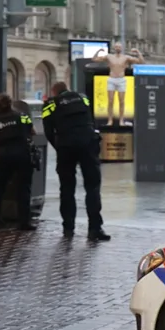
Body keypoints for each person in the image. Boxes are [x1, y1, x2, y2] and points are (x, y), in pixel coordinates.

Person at [43, 82, 110, 242]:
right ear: (67, 88)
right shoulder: (83, 98)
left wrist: (59, 146)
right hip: (87, 144)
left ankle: (68, 228)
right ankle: (95, 229)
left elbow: (48, 131)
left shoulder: (50, 104)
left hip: (66, 146)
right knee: (92, 187)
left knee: (67, 188)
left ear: (54, 91)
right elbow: (92, 119)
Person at [0, 93, 36, 231]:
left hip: (4, 157)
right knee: (24, 188)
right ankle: (24, 222)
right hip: (22, 155)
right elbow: (33, 132)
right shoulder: (22, 117)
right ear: (10, 104)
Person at [91, 44, 142, 127]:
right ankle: (110, 120)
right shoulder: (109, 57)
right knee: (110, 101)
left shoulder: (126, 57)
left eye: (119, 46)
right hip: (112, 79)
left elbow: (141, 61)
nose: (118, 48)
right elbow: (94, 59)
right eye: (116, 47)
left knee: (121, 101)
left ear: (122, 48)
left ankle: (121, 120)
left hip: (121, 80)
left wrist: (138, 52)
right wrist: (98, 51)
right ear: (114, 48)